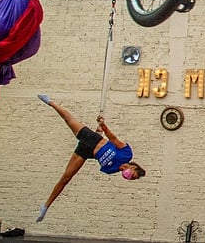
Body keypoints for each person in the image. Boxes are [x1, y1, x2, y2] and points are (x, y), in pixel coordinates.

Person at [36, 94, 145, 222]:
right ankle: (50, 102)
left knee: (66, 178)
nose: (130, 177)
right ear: (133, 167)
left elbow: (98, 157)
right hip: (92, 138)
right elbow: (113, 139)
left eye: (132, 179)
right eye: (133, 175)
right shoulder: (127, 154)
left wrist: (98, 130)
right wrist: (103, 126)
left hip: (85, 152)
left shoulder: (111, 170)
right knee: (67, 118)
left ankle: (45, 207)